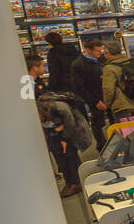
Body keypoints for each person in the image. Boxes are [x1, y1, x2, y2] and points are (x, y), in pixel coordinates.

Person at [29, 54, 90, 197]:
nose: (45, 68)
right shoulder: (31, 85)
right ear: (34, 68)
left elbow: (63, 114)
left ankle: (74, 183)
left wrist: (63, 133)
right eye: (42, 65)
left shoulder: (38, 85)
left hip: (59, 128)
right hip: (55, 127)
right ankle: (74, 182)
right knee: (65, 156)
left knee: (67, 156)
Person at [71, 37, 109, 150]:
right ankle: (102, 147)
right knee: (98, 124)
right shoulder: (78, 65)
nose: (100, 52)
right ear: (88, 50)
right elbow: (79, 87)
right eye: (97, 50)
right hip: (95, 99)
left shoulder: (102, 59)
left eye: (101, 50)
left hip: (107, 95)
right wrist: (95, 101)